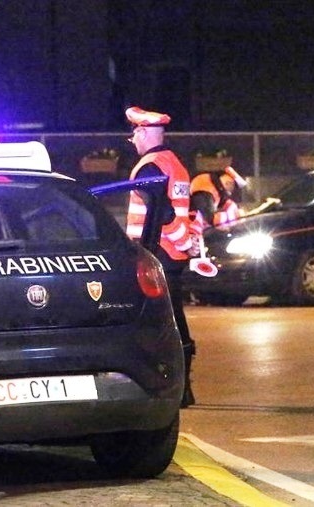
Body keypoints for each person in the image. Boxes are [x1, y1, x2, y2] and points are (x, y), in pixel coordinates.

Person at [124, 106, 197, 407]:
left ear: (142, 132)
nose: (133, 140)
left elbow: (164, 213)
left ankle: (171, 387)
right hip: (173, 255)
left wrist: (182, 239)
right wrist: (188, 243)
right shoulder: (175, 164)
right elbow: (183, 210)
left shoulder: (149, 167)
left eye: (134, 134)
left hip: (155, 253)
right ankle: (183, 389)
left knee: (161, 322)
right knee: (175, 318)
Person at [189, 166, 249, 232]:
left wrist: (233, 207)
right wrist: (235, 217)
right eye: (231, 189)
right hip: (191, 230)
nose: (230, 193)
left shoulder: (213, 187)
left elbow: (222, 201)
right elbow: (211, 219)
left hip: (195, 229)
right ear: (228, 183)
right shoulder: (206, 192)